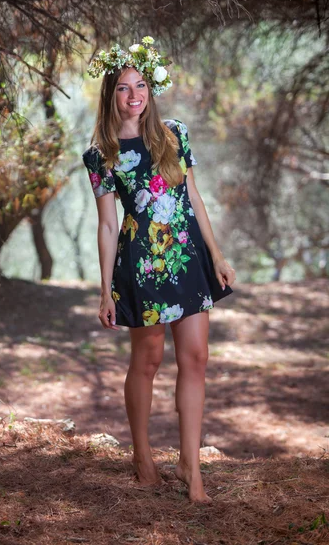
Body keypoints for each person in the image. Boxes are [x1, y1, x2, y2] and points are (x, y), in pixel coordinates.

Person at [82, 37, 236, 503]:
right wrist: (106, 290)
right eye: (124, 88)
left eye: (141, 85)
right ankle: (143, 454)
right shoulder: (101, 155)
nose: (135, 95)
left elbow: (194, 198)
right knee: (147, 361)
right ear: (111, 95)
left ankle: (192, 470)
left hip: (186, 259)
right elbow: (108, 226)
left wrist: (216, 254)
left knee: (196, 359)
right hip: (142, 266)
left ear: (150, 89)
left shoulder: (175, 134)